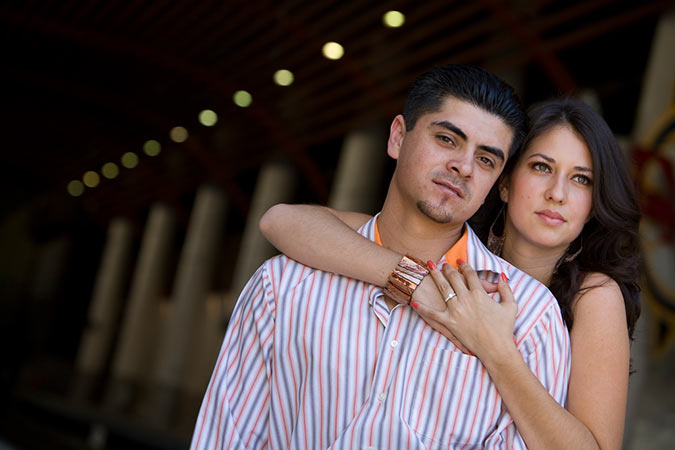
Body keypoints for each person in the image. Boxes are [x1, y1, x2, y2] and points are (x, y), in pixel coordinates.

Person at [191, 64, 570, 449]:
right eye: (446, 139)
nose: (464, 167)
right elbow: (227, 438)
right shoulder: (283, 284)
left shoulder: (529, 315)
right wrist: (414, 281)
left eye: (487, 160)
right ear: (397, 137)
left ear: (496, 183)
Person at [259, 98, 641, 449]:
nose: (557, 193)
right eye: (542, 167)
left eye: (581, 179)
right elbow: (282, 220)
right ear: (504, 183)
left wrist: (493, 346)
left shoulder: (594, 294)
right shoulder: (453, 250)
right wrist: (415, 282)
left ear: (593, 205)